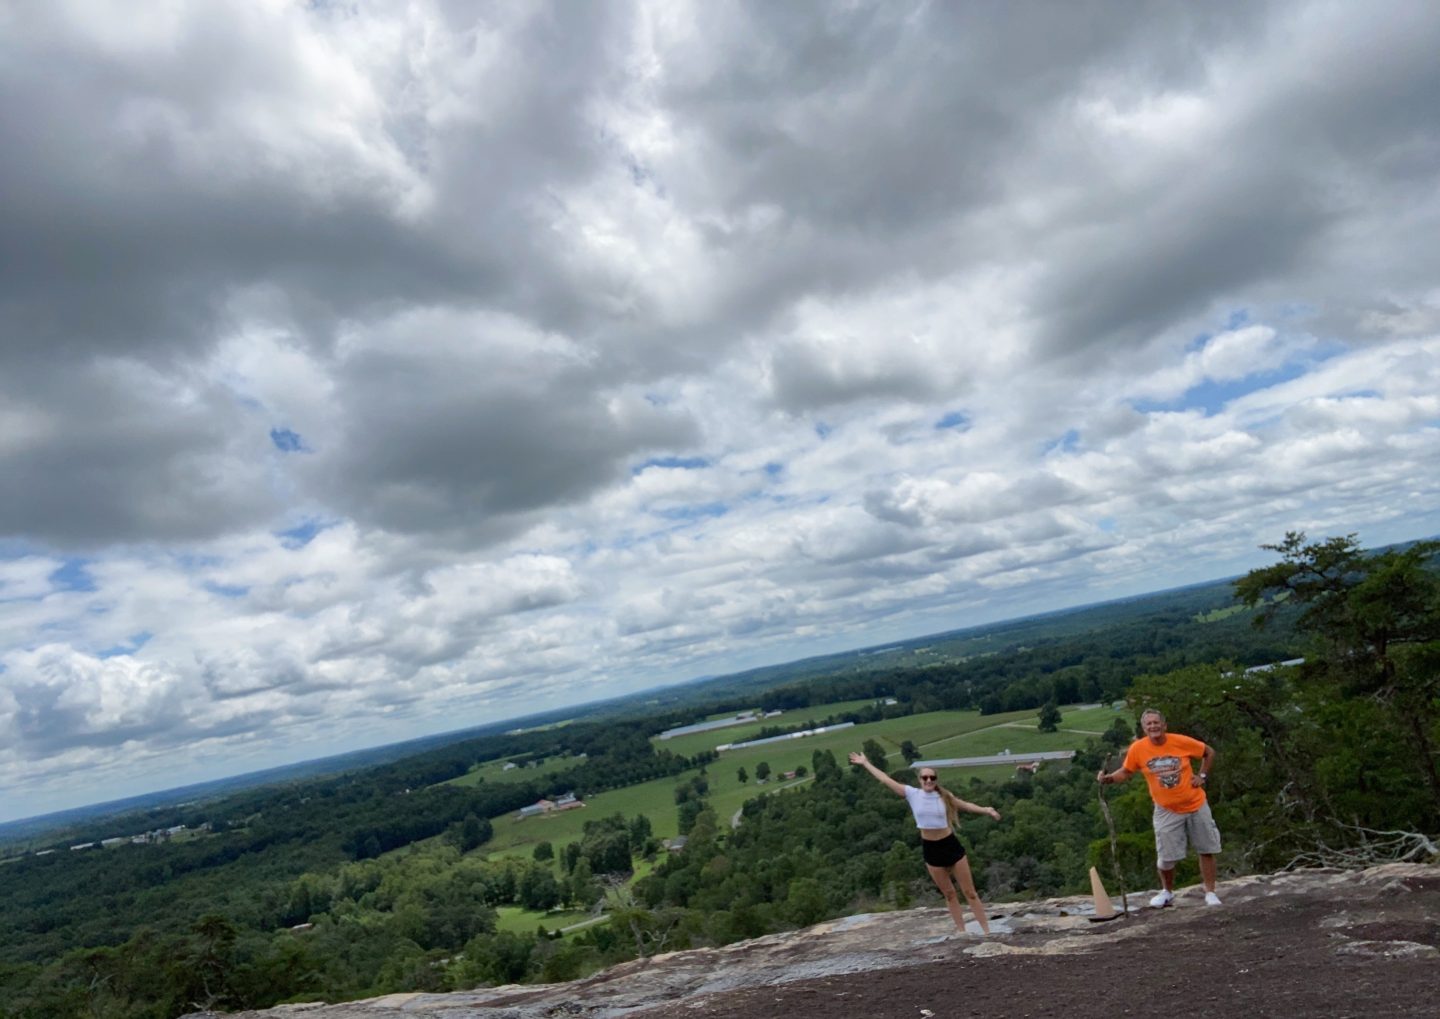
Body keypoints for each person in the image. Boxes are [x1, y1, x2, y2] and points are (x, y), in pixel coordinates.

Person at [848, 751, 1001, 934]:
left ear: (936, 780)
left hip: (950, 845)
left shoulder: (945, 796)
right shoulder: (912, 794)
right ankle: (962, 932)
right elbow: (886, 780)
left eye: (932, 777)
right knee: (950, 894)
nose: (928, 780)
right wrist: (866, 763)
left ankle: (987, 932)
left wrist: (987, 810)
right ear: (919, 780)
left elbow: (966, 806)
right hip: (931, 849)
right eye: (925, 777)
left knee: (970, 892)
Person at [1097, 708, 1223, 907]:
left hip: (1195, 803)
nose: (1153, 726)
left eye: (1156, 723)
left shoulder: (1180, 741)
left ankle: (1210, 892)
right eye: (1149, 724)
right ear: (1144, 728)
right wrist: (1109, 779)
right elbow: (1126, 771)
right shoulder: (1138, 748)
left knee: (1206, 849)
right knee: (1165, 857)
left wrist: (1202, 776)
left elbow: (1208, 752)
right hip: (1166, 808)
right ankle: (1167, 891)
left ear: (1164, 725)